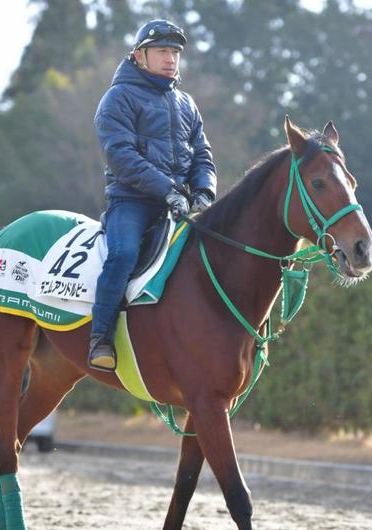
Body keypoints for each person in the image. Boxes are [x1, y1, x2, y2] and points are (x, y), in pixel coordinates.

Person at [88, 18, 217, 371]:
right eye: (162, 51)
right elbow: (122, 156)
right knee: (123, 253)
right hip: (131, 202)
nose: (171, 58)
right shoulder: (117, 98)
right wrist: (169, 190)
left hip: (181, 203)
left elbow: (202, 154)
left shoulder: (187, 103)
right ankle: (100, 337)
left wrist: (204, 190)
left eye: (175, 52)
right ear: (139, 56)